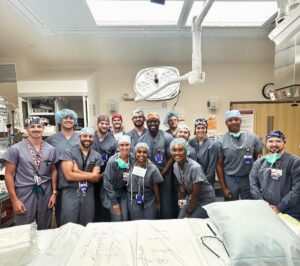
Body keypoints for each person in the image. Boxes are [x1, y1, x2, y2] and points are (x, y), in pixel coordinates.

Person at [2, 116, 58, 230]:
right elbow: (8, 175)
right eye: (32, 126)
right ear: (26, 128)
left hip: (45, 192)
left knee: (45, 228)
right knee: (24, 229)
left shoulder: (50, 149)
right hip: (24, 193)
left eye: (39, 126)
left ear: (43, 128)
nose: (36, 129)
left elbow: (53, 170)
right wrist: (14, 200)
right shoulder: (16, 149)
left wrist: (54, 192)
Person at [249, 130, 300, 220]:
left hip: (289, 210)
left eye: (278, 141)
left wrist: (279, 208)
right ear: (266, 143)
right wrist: (264, 205)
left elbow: (297, 189)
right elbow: (253, 185)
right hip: (265, 209)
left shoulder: (294, 161)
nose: (274, 144)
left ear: (284, 143)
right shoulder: (259, 162)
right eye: (270, 141)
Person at [216, 110, 263, 201]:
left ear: (241, 121)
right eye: (230, 120)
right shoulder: (221, 142)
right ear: (226, 123)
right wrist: (223, 187)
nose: (233, 122)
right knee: (231, 206)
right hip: (230, 179)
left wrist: (259, 181)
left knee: (249, 205)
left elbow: (260, 161)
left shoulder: (253, 138)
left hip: (248, 178)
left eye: (236, 119)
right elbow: (219, 165)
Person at [60, 127, 102, 226]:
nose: (88, 138)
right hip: (71, 190)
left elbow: (96, 178)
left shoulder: (96, 155)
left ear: (94, 139)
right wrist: (91, 176)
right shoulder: (69, 152)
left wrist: (77, 171)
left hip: (88, 191)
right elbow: (69, 176)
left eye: (90, 136)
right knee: (69, 222)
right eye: (85, 136)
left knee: (87, 221)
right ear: (79, 137)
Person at [46, 108, 79, 227]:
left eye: (71, 118)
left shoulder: (81, 137)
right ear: (59, 120)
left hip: (81, 182)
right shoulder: (51, 140)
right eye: (65, 118)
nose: (69, 120)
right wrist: (53, 190)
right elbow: (50, 165)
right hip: (61, 185)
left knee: (82, 219)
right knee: (64, 218)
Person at [170, 138, 215, 218]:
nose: (177, 153)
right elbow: (182, 187)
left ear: (186, 151)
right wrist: (182, 205)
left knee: (189, 220)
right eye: (174, 150)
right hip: (190, 197)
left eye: (180, 150)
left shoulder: (195, 168)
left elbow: (196, 194)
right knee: (180, 219)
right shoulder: (175, 166)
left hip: (204, 199)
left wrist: (188, 212)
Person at [143, 112, 174, 219]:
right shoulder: (142, 138)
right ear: (146, 123)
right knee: (151, 201)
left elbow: (172, 157)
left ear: (159, 123)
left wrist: (162, 174)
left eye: (155, 121)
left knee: (166, 201)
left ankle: (166, 223)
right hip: (148, 175)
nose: (152, 123)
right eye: (150, 121)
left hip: (165, 174)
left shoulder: (167, 137)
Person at [127, 142, 163, 220]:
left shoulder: (152, 168)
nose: (141, 154)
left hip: (149, 199)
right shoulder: (130, 165)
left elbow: (155, 187)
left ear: (148, 154)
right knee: (137, 223)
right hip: (133, 199)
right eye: (139, 152)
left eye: (144, 152)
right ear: (135, 153)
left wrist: (158, 203)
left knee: (149, 224)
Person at [103, 135, 134, 221]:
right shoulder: (112, 161)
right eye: (122, 145)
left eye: (127, 145)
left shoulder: (133, 158)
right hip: (112, 194)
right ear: (118, 146)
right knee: (117, 219)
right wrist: (114, 202)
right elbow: (107, 182)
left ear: (130, 146)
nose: (124, 147)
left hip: (124, 193)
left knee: (125, 218)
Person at [92, 115, 118, 221]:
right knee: (92, 200)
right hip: (90, 174)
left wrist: (104, 174)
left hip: (106, 175)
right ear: (97, 124)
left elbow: (115, 160)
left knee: (105, 200)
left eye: (106, 124)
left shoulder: (113, 141)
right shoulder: (90, 137)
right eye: (102, 123)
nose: (104, 126)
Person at [189, 118, 219, 187]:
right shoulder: (191, 142)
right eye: (198, 128)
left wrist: (204, 181)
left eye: (203, 128)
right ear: (195, 129)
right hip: (193, 177)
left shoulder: (212, 145)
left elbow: (211, 167)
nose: (200, 130)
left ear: (206, 129)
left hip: (207, 179)